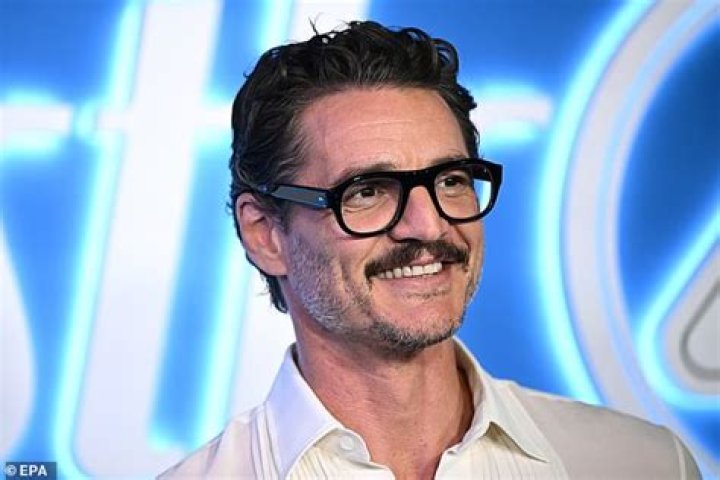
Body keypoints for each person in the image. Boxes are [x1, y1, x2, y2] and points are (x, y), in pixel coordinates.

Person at [160, 21, 701, 479]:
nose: (429, 226)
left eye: (450, 180)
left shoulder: (642, 464)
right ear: (264, 234)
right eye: (367, 191)